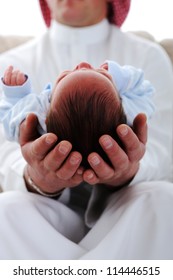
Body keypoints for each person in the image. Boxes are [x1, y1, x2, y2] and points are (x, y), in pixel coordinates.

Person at [0, 0, 172, 259]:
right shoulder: (12, 64)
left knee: (162, 200)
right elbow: (4, 148)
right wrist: (38, 176)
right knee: (6, 211)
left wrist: (126, 172)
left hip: (123, 213)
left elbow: (163, 148)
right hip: (42, 219)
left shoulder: (147, 56)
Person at [0, 61, 155, 169]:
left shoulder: (38, 113)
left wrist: (17, 94)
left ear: (45, 114)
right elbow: (145, 89)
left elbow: (9, 120)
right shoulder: (129, 113)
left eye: (64, 77)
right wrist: (119, 76)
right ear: (122, 101)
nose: (83, 64)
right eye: (104, 76)